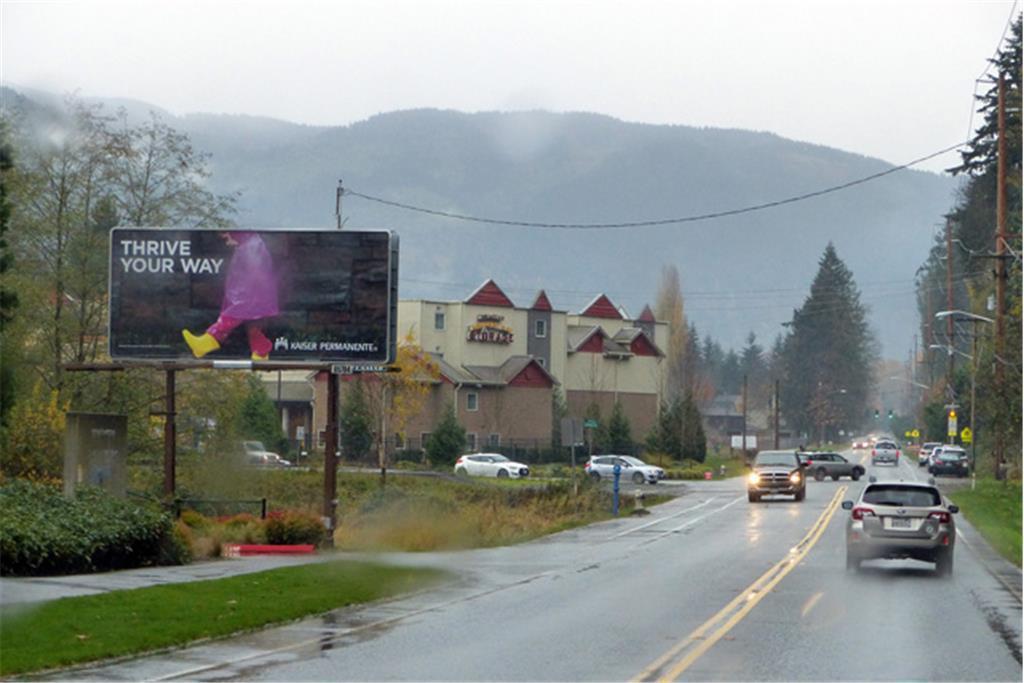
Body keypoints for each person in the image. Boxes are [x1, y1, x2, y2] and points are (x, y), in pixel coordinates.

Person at [182, 232, 279, 360]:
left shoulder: (251, 246)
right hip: (255, 294)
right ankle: (261, 352)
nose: (223, 236)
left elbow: (254, 274)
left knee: (232, 316)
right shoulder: (251, 244)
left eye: (226, 232)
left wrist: (243, 295)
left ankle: (207, 341)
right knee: (253, 326)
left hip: (250, 294)